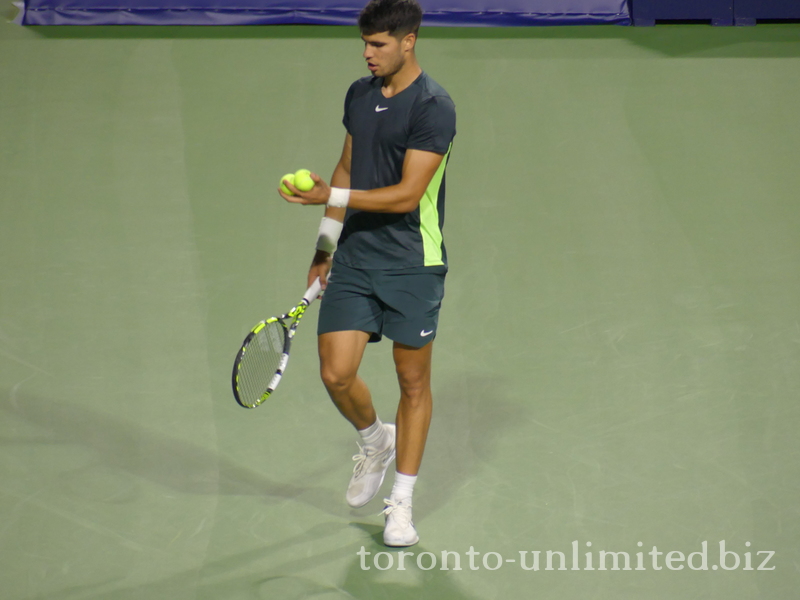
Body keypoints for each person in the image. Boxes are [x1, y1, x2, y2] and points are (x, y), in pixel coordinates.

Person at [279, 0, 456, 547]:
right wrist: (326, 242)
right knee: (335, 372)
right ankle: (374, 440)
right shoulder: (359, 95)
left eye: (379, 44)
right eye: (365, 43)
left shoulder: (434, 107)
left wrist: (328, 198)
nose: (368, 53)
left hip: (411, 264)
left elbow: (407, 195)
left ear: (409, 41)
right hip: (355, 256)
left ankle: (400, 503)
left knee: (412, 382)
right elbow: (347, 165)